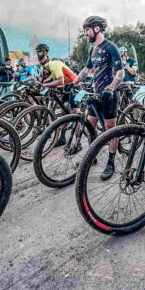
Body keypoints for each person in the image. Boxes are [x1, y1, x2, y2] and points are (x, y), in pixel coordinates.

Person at [73, 16, 124, 180]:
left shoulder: (110, 47)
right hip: (96, 94)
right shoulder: (92, 50)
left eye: (87, 30)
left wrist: (111, 88)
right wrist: (72, 83)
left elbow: (120, 73)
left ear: (96, 29)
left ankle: (111, 162)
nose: (85, 33)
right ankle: (92, 156)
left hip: (109, 95)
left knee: (111, 129)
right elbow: (86, 70)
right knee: (90, 125)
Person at [43, 59, 80, 146]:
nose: (44, 73)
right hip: (67, 87)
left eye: (44, 72)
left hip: (75, 86)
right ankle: (62, 138)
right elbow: (51, 79)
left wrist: (44, 85)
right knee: (64, 113)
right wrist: (42, 83)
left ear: (45, 67)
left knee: (76, 115)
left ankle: (78, 143)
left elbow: (60, 81)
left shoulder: (54, 64)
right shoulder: (51, 69)